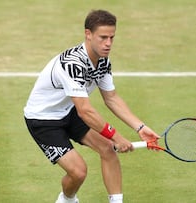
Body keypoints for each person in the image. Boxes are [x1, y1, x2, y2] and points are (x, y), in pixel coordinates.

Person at [24, 9, 160, 203]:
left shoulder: (103, 61)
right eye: (103, 37)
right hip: (43, 119)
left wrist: (140, 127)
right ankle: (67, 199)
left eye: (112, 37)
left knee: (108, 149)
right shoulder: (72, 64)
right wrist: (117, 137)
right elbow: (85, 111)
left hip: (68, 112)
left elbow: (111, 97)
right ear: (88, 34)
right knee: (78, 172)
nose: (108, 44)